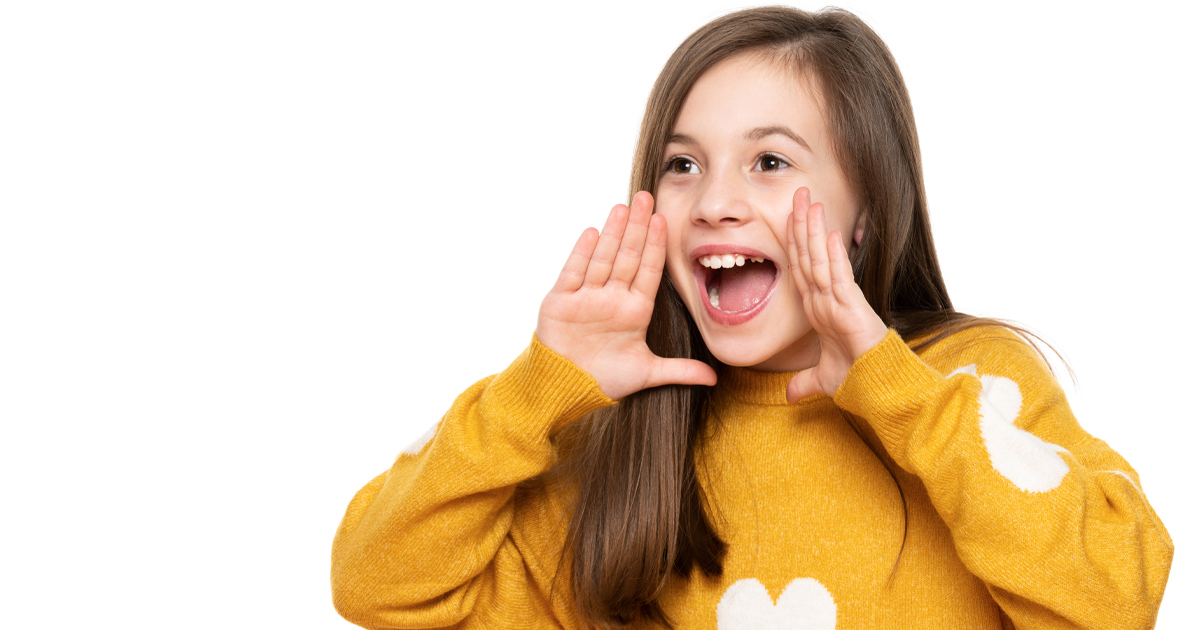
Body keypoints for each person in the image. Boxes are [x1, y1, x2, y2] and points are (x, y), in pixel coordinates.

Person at [330, 6, 1172, 629]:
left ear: (866, 212)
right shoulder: (617, 442)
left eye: (769, 161)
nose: (715, 202)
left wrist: (898, 393)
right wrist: (535, 391)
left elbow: (1117, 599)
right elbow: (375, 585)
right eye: (683, 164)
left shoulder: (966, 383)